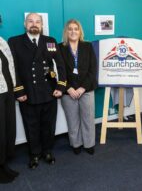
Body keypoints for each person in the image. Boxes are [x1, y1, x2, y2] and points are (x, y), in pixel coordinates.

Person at [8, 13, 66, 169]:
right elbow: (12, 69)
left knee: (48, 125)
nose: (34, 24)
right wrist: (18, 91)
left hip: (49, 92)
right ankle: (34, 154)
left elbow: (60, 65)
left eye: (37, 22)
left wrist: (60, 86)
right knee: (31, 126)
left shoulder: (50, 41)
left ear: (42, 25)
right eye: (30, 21)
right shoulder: (15, 42)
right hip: (27, 94)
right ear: (25, 24)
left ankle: (47, 151)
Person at [59, 19, 97, 155]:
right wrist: (68, 88)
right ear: (66, 32)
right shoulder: (60, 48)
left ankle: (89, 143)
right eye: (70, 29)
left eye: (76, 29)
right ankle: (76, 143)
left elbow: (93, 70)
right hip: (68, 91)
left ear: (80, 31)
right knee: (72, 119)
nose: (73, 31)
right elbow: (58, 71)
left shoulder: (87, 46)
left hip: (86, 89)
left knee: (88, 118)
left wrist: (82, 88)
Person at [0, 37, 19, 183]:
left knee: (8, 128)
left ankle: (4, 163)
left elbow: (10, 66)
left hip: (8, 91)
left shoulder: (2, 41)